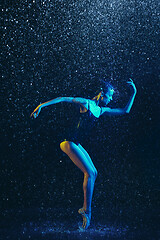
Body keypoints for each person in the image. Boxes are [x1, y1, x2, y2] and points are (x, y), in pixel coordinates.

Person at [30, 79, 137, 230]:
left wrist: (134, 93)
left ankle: (86, 210)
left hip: (76, 144)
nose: (111, 99)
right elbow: (62, 98)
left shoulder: (101, 110)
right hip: (68, 142)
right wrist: (41, 105)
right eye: (109, 95)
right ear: (101, 93)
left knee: (94, 172)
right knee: (89, 173)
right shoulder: (86, 103)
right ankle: (86, 211)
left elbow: (125, 111)